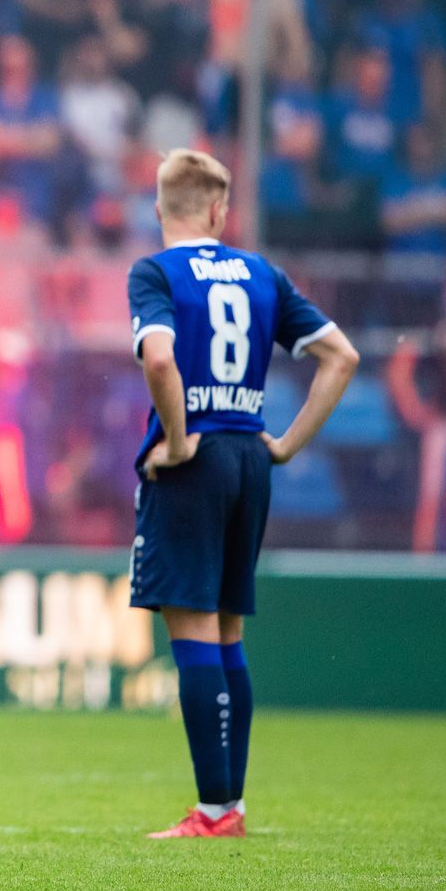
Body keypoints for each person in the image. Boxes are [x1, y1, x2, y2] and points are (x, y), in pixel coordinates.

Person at [127, 149, 358, 838]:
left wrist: (173, 438)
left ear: (161, 209)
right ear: (220, 211)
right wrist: (285, 444)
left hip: (194, 460)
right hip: (249, 456)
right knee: (229, 630)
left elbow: (160, 356)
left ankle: (214, 811)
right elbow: (341, 356)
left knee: (193, 630)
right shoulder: (263, 274)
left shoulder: (156, 271)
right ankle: (230, 805)